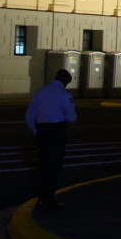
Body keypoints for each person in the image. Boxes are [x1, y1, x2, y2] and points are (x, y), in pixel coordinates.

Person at [24, 68, 77, 209]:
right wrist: (69, 121)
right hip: (57, 131)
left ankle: (40, 197)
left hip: (42, 131)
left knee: (43, 165)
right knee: (54, 167)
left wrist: (36, 132)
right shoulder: (64, 94)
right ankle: (49, 198)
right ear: (65, 81)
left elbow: (29, 116)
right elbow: (71, 117)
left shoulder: (39, 92)